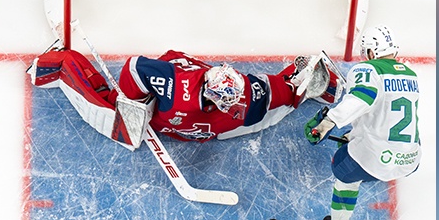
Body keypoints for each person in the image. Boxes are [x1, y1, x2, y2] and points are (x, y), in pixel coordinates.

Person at [305, 26, 422, 220]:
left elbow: (361, 99)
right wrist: (353, 136)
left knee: (343, 167)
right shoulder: (411, 74)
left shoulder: (368, 69)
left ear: (371, 52)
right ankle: (367, 161)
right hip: (410, 160)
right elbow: (386, 114)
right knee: (358, 148)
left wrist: (327, 123)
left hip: (376, 160)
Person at [116, 50, 343, 141]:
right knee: (260, 115)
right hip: (178, 110)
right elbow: (134, 67)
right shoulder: (176, 89)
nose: (237, 103)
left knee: (260, 113)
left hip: (204, 126)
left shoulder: (240, 89)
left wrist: (291, 90)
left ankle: (297, 86)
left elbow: (264, 92)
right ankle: (296, 87)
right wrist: (134, 104)